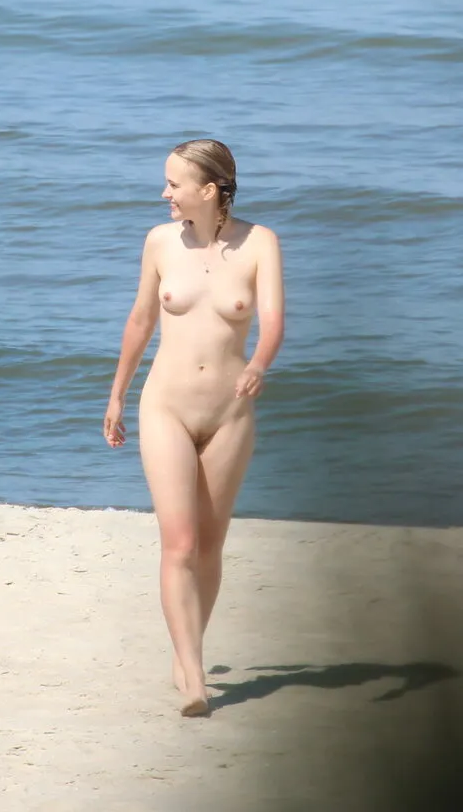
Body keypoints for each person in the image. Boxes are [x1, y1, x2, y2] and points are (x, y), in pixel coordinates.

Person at [103, 138, 284, 716]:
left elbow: (273, 321)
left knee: (209, 545)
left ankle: (189, 649)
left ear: (208, 189)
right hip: (167, 408)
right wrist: (117, 395)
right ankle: (194, 675)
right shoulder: (160, 242)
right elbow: (141, 320)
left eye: (174, 183)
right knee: (179, 543)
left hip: (230, 413)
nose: (165, 193)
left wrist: (258, 364)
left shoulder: (260, 243)